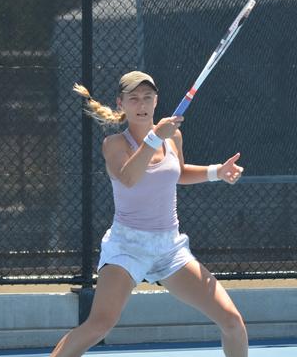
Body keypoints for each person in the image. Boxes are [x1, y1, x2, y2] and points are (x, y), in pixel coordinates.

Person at [50, 71, 248, 357]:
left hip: (170, 248)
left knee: (232, 322)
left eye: (147, 97)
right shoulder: (114, 144)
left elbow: (177, 173)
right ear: (122, 104)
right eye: (133, 98)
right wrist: (155, 138)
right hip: (127, 247)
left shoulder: (172, 136)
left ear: (156, 101)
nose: (141, 104)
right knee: (99, 325)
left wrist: (217, 172)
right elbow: (129, 177)